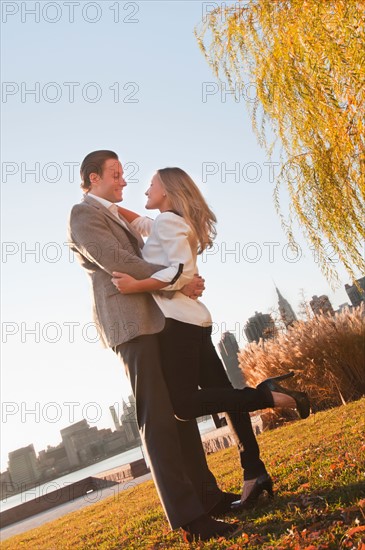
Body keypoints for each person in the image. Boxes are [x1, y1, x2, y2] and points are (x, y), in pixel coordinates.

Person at [68, 150, 244, 543]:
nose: (123, 181)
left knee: (179, 415)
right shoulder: (83, 214)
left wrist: (177, 275)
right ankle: (188, 517)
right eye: (115, 174)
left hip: (156, 321)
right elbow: (118, 261)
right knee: (158, 419)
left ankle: (207, 497)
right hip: (131, 326)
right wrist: (180, 278)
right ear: (93, 178)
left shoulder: (114, 213)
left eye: (123, 174)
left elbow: (149, 238)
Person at [111, 167, 310, 509]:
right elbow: (144, 224)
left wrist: (135, 285)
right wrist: (108, 208)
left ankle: (269, 395)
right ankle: (254, 472)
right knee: (229, 400)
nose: (145, 187)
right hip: (195, 322)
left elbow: (177, 272)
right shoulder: (170, 222)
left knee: (183, 405)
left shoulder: (170, 224)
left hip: (179, 326)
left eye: (152, 183)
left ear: (168, 192)